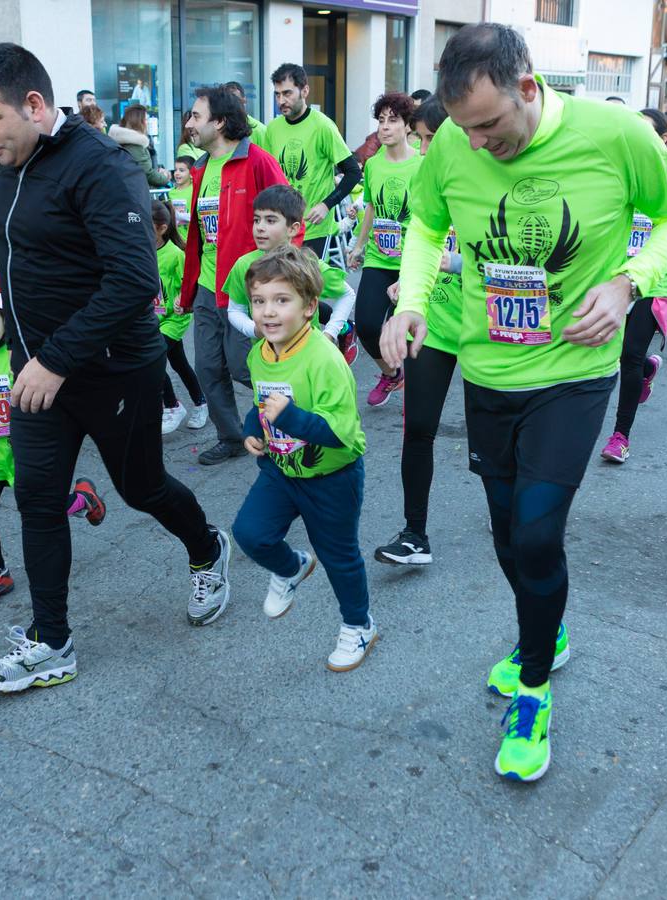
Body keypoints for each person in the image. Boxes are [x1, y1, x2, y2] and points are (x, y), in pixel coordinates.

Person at [380, 24, 667, 782]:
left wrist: (630, 281)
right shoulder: (453, 147)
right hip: (490, 372)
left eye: (490, 125)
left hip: (574, 371)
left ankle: (532, 690)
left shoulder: (614, 133)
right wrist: (412, 302)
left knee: (534, 533)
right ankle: (545, 634)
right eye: (463, 130)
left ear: (529, 88)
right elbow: (428, 226)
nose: (478, 144)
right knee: (504, 534)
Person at [0, 42, 234, 692]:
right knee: (39, 502)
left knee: (140, 488)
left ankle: (206, 547)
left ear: (32, 104)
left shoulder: (100, 164)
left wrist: (55, 358)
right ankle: (52, 642)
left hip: (111, 372)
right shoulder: (7, 166)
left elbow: (134, 278)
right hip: (36, 375)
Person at [233, 246, 374, 669]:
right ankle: (292, 567)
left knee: (339, 556)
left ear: (310, 307)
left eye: (281, 300)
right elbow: (263, 404)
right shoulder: (260, 353)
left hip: (332, 475)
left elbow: (342, 434)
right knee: (250, 533)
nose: (267, 313)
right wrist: (253, 430)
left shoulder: (325, 359)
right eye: (259, 301)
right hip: (280, 469)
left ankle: (358, 625)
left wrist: (290, 418)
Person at [0, 275, 105, 608]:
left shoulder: (20, 357)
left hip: (25, 453)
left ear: (5, 318)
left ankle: (82, 500)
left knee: (46, 509)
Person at [179, 84, 289, 466]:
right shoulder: (199, 167)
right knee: (207, 365)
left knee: (244, 365)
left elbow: (289, 212)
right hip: (209, 285)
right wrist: (187, 288)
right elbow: (200, 235)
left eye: (196, 116)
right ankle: (231, 437)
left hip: (250, 285)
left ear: (220, 122)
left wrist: (280, 271)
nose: (189, 123)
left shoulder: (256, 160)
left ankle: (293, 416)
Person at [374, 98, 462, 567]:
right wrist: (409, 287)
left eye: (430, 138)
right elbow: (423, 243)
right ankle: (414, 535)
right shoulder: (426, 179)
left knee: (493, 446)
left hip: (491, 330)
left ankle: (510, 511)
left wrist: (459, 262)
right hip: (435, 327)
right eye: (421, 138)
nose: (424, 147)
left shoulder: (489, 180)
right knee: (419, 431)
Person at [600, 110, 667, 465]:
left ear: (663, 138)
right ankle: (648, 368)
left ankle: (621, 436)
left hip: (653, 283)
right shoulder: (611, 169)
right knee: (616, 354)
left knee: (629, 357)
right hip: (613, 278)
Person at [346, 92, 419, 405]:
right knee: (366, 323)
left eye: (393, 120)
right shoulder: (373, 165)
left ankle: (418, 399)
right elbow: (372, 209)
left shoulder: (421, 165)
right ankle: (391, 374)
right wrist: (358, 246)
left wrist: (414, 269)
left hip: (412, 259)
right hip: (378, 256)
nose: (385, 127)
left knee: (412, 331)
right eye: (381, 120)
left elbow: (428, 220)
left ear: (407, 127)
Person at [223, 185, 356, 348]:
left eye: (270, 220)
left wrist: (329, 334)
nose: (260, 227)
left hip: (308, 355)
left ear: (293, 229)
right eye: (257, 219)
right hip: (266, 358)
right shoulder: (243, 265)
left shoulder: (307, 264)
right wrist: (254, 330)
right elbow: (235, 310)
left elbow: (347, 294)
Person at [260, 63, 362, 260]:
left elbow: (353, 172)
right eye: (277, 94)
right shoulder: (272, 129)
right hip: (282, 226)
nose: (282, 100)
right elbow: (269, 175)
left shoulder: (323, 126)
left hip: (313, 228)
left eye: (287, 93)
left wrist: (326, 205)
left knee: (307, 287)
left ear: (304, 90)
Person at [150, 199, 207, 434]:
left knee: (151, 357)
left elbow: (190, 285)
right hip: (155, 320)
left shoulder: (176, 254)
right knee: (179, 363)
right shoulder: (143, 250)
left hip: (175, 318)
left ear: (162, 228)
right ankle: (201, 403)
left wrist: (183, 299)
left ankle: (172, 406)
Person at [109, 104, 171, 187]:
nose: (147, 123)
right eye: (145, 119)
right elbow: (147, 174)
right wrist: (165, 177)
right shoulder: (134, 145)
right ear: (138, 122)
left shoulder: (121, 141)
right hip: (134, 193)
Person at [223, 80, 266, 148]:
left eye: (235, 99)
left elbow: (268, 157)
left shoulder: (260, 130)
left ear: (244, 100)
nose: (232, 104)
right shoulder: (219, 129)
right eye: (227, 101)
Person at [167, 156, 194, 226]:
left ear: (191, 173)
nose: (177, 173)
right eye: (175, 170)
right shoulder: (171, 192)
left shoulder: (195, 190)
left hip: (190, 234)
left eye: (181, 170)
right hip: (176, 234)